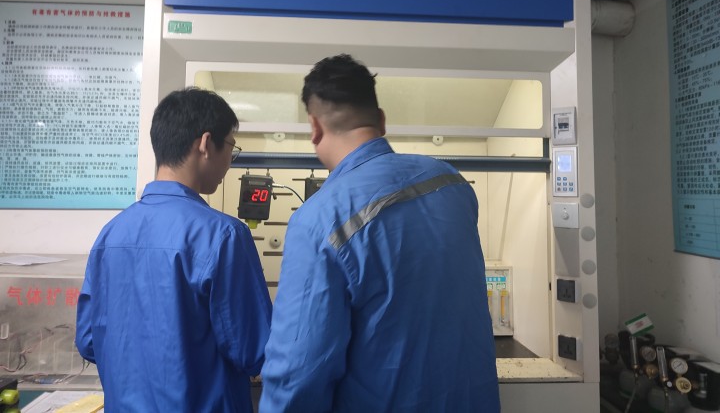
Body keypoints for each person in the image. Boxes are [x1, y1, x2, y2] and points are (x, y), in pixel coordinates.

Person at [260, 54, 500, 412]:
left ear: (314, 127)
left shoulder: (318, 220)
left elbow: (298, 374)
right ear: (382, 120)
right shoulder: (451, 182)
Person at [76, 87, 272, 412]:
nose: (229, 162)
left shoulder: (110, 234)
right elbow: (255, 351)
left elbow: (88, 341)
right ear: (206, 143)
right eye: (231, 149)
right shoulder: (223, 235)